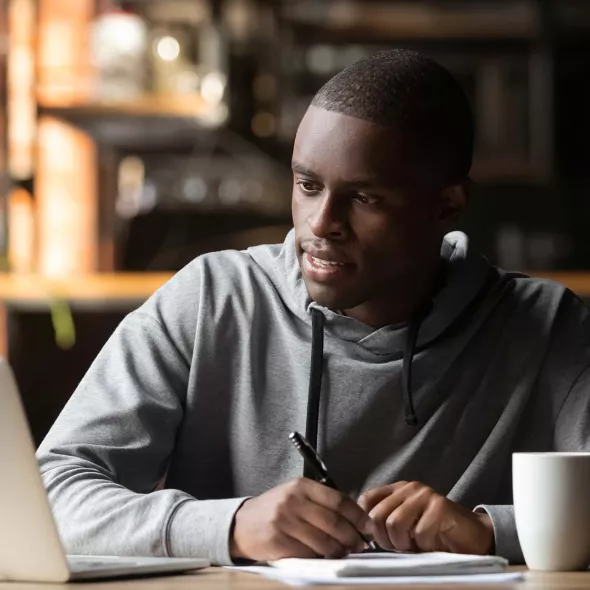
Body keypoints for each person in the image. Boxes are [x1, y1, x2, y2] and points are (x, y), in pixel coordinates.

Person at [37, 49, 590, 566]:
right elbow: (48, 495)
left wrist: (488, 532)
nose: (321, 224)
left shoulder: (549, 328)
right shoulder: (212, 300)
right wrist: (230, 526)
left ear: (447, 203)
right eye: (307, 185)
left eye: (365, 198)